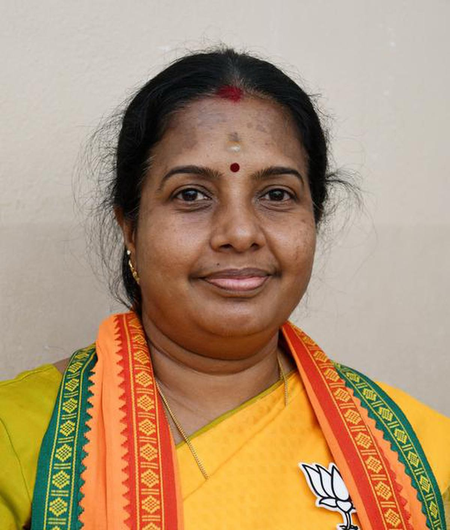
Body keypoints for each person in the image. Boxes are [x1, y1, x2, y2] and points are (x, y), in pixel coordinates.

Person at [0, 47, 449, 530]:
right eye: (191, 194)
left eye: (276, 194)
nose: (239, 232)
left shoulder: (422, 458)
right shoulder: (19, 438)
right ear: (130, 228)